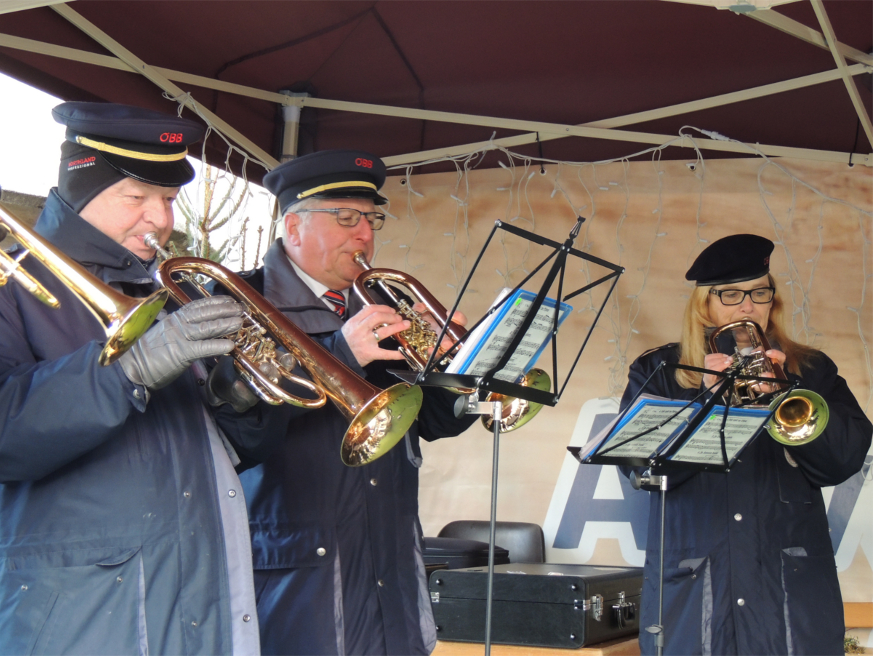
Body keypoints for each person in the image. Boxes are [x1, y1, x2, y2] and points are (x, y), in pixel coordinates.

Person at [0, 102, 297, 655]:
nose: (161, 220)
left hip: (203, 600)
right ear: (78, 190)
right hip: (82, 620)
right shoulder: (12, 285)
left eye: (168, 199)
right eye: (135, 198)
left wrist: (237, 400)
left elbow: (232, 456)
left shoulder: (171, 294)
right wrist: (127, 371)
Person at [233, 150, 478, 655]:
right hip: (295, 576)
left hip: (389, 565)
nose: (365, 234)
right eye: (345, 218)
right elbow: (239, 426)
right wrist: (341, 354)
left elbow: (428, 421)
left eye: (371, 219)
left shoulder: (383, 302)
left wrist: (457, 376)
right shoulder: (242, 301)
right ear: (294, 227)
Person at [619, 233, 872, 656]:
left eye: (759, 292)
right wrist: (703, 398)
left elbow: (842, 461)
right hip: (695, 588)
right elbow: (640, 469)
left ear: (773, 301)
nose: (747, 305)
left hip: (789, 589)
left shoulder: (810, 369)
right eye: (731, 294)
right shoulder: (660, 371)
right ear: (705, 304)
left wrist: (783, 392)